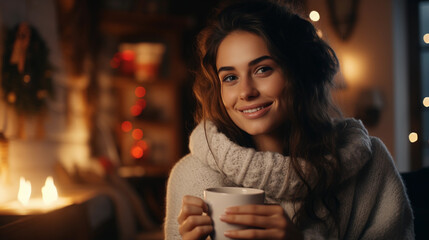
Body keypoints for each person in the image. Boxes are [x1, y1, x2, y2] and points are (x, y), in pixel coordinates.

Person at [164, 0, 415, 239]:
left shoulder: (371, 166)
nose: (246, 92)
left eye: (263, 69)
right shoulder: (192, 175)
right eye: (230, 77)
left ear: (300, 72)